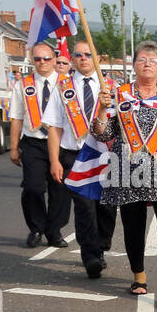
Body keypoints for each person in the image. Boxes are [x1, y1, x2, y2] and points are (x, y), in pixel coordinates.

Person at [91, 42, 157, 307]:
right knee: (133, 226)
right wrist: (101, 108)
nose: (147, 63)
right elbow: (102, 133)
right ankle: (139, 276)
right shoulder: (118, 95)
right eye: (142, 59)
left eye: (153, 60)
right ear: (134, 65)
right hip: (127, 169)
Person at [45, 41, 116, 279]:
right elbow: (54, 126)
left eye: (88, 54)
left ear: (96, 57)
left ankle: (102, 246)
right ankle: (91, 256)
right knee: (84, 206)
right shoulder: (62, 87)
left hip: (106, 153)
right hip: (75, 154)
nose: (84, 58)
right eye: (78, 55)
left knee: (106, 206)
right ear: (72, 59)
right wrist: (54, 160)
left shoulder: (112, 87)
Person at [9, 43, 70, 248]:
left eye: (46, 58)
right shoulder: (23, 85)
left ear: (54, 59)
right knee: (33, 188)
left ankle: (54, 231)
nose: (42, 62)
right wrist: (14, 147)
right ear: (32, 60)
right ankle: (36, 227)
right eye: (37, 59)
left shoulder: (66, 84)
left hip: (62, 142)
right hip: (34, 142)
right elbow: (17, 117)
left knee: (60, 189)